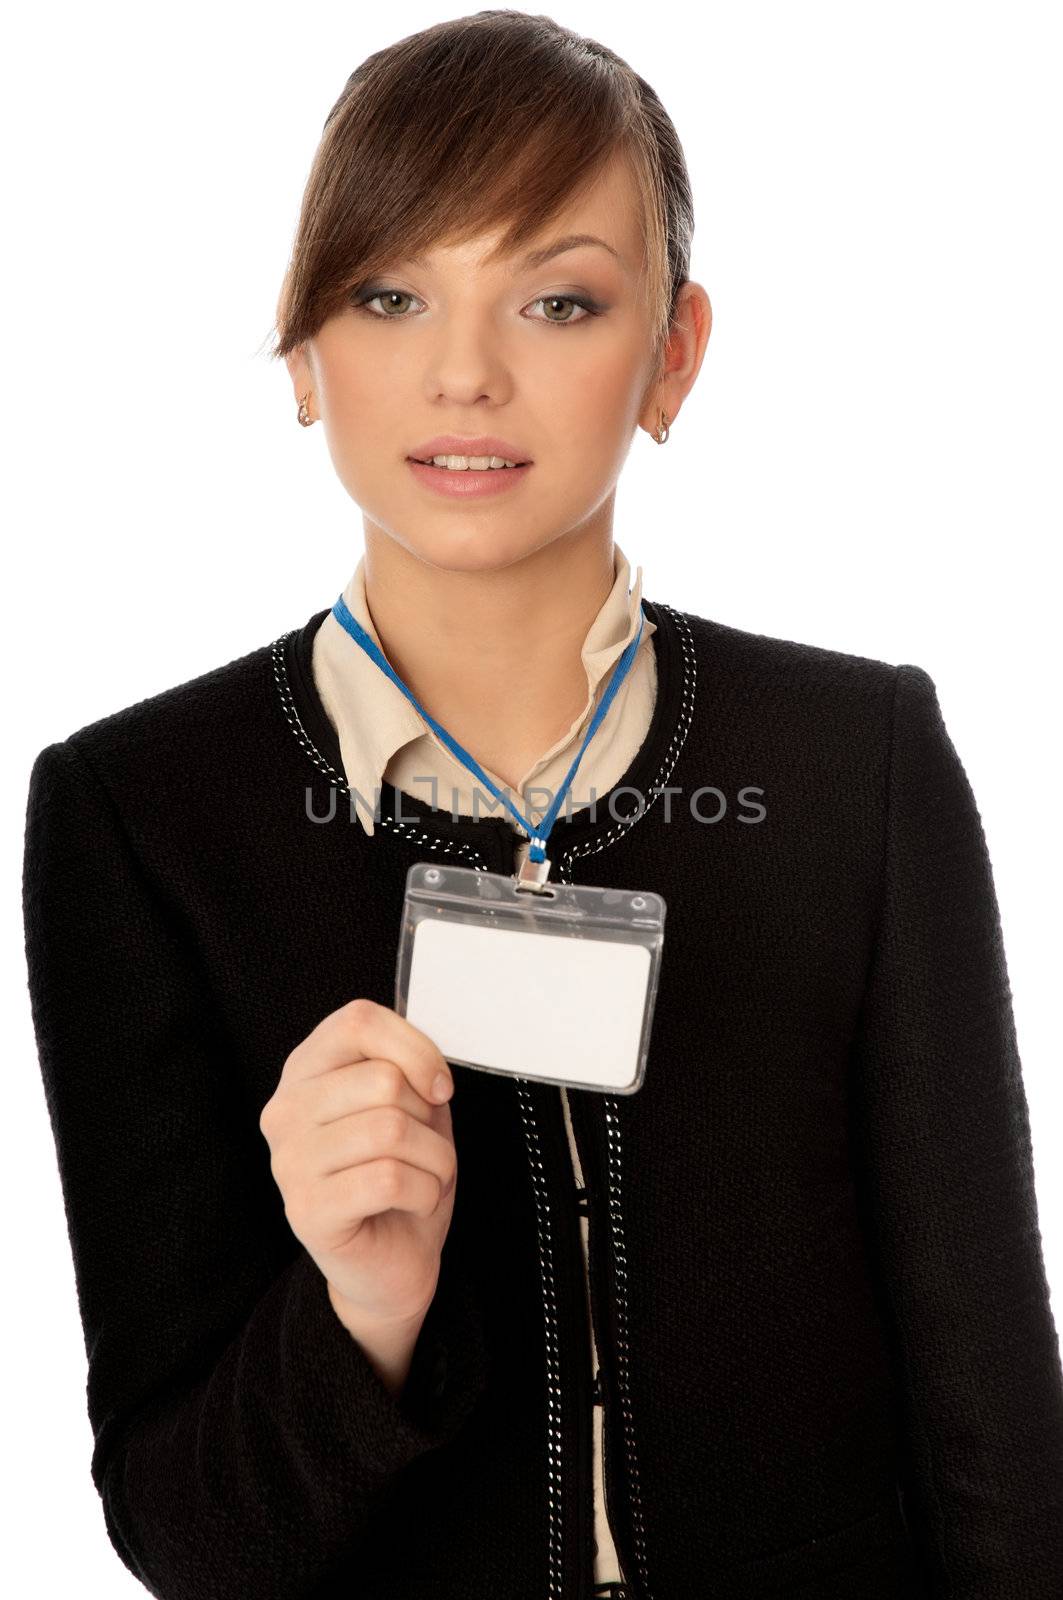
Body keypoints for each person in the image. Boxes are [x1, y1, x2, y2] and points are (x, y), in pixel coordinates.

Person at [21, 11, 1063, 1599]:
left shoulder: (858, 760)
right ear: (305, 352)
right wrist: (363, 1307)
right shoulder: (137, 816)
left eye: (558, 298)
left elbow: (995, 1403)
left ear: (674, 353)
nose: (463, 372)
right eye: (387, 293)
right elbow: (185, 1536)